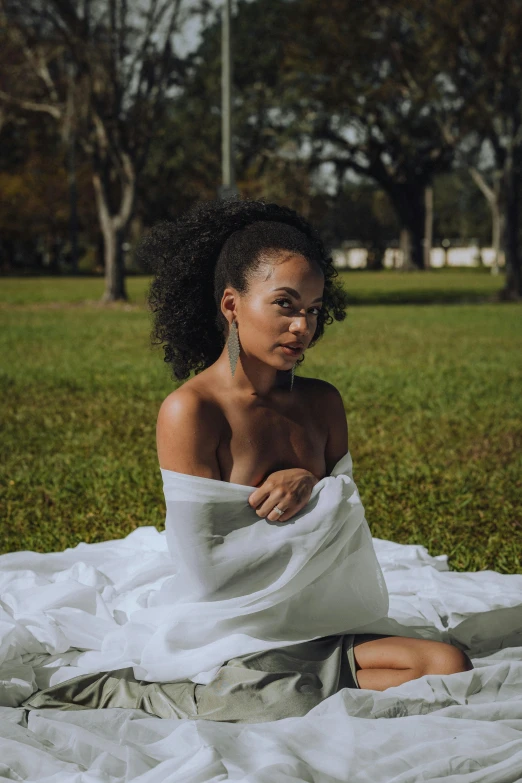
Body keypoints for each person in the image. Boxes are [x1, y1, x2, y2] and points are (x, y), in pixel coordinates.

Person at [23, 198, 472, 722]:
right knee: (277, 700)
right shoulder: (191, 411)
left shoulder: (323, 404)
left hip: (314, 623)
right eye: (285, 304)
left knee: (448, 663)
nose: (302, 327)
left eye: (313, 308)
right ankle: (144, 691)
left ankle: (298, 686)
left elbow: (340, 538)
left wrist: (310, 482)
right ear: (232, 305)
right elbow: (211, 576)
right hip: (230, 636)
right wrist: (317, 504)